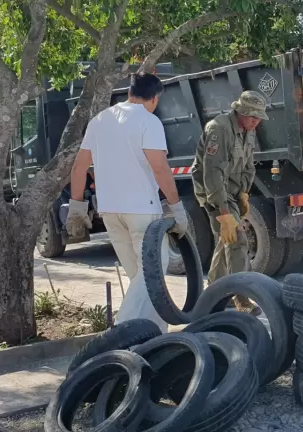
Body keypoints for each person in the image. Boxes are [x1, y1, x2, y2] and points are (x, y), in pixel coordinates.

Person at [67, 72, 189, 331]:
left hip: (110, 211)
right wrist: (176, 206)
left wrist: (76, 207)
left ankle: (151, 335)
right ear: (154, 98)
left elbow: (79, 167)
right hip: (141, 210)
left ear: (129, 92)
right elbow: (160, 168)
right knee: (153, 273)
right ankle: (120, 331)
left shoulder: (100, 120)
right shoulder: (149, 121)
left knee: (139, 277)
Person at [191, 90, 267, 311]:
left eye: (259, 117)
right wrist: (223, 211)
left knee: (227, 239)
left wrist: (243, 192)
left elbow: (249, 166)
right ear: (240, 111)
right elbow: (212, 172)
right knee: (237, 238)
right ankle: (240, 296)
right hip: (213, 193)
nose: (256, 121)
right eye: (252, 116)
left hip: (232, 192)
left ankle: (213, 291)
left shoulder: (248, 130)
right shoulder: (219, 128)